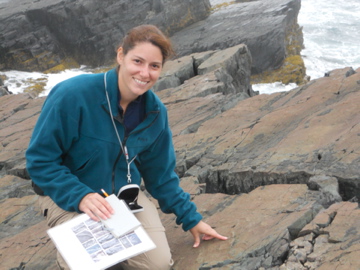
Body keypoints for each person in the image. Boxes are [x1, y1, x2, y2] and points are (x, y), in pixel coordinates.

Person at [26, 24, 227, 270]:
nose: (145, 73)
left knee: (158, 264)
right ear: (121, 55)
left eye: (154, 66)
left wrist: (192, 219)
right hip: (66, 194)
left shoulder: (154, 113)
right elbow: (40, 161)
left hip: (123, 196)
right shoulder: (73, 95)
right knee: (91, 265)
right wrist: (80, 196)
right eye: (138, 61)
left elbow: (160, 176)